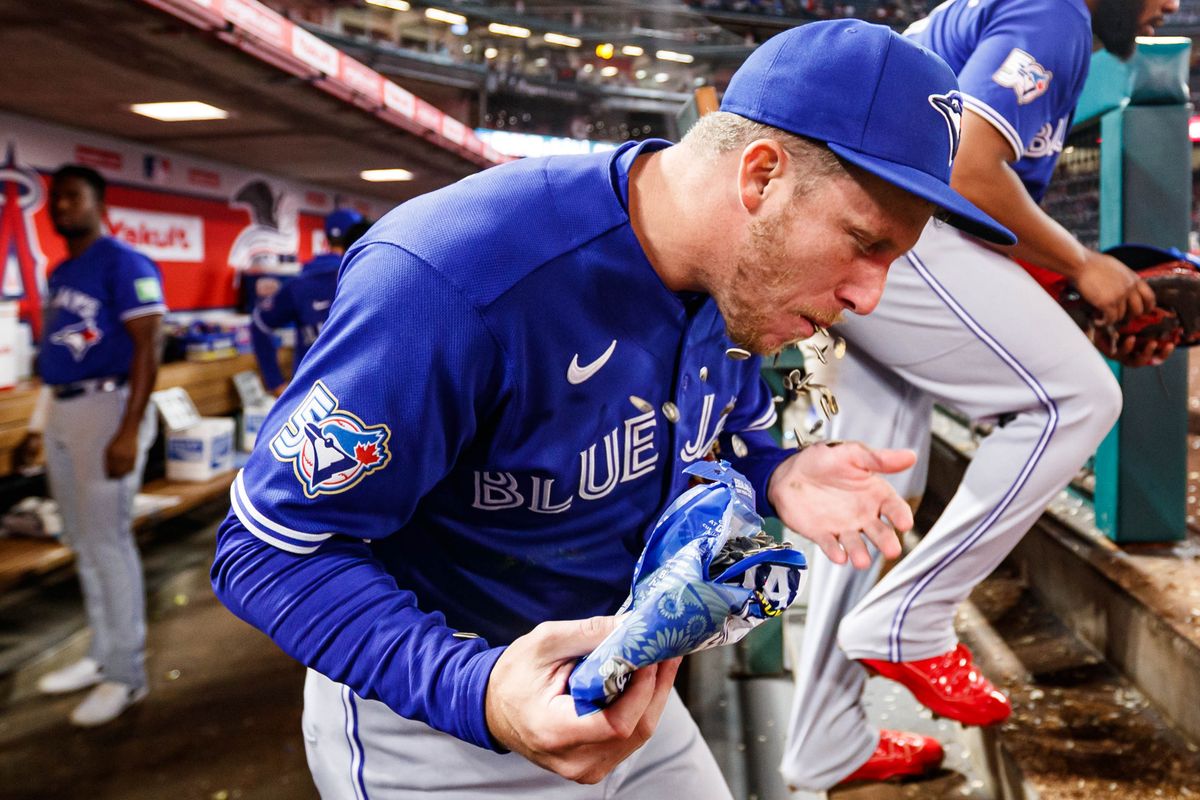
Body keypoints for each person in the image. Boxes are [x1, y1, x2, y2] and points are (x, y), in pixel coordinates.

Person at [210, 20, 1012, 799]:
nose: (868, 298)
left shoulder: (737, 281)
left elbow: (711, 435)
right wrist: (478, 690)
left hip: (630, 676)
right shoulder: (452, 277)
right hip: (442, 718)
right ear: (760, 177)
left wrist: (776, 472)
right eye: (864, 243)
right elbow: (266, 546)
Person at [781, 0, 1180, 789]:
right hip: (887, 221)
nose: (1169, 4)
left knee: (872, 489)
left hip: (845, 214)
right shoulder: (1058, 13)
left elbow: (972, 198)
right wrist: (1082, 266)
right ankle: (909, 618)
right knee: (1076, 400)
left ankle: (824, 741)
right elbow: (965, 169)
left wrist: (1064, 294)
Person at [20, 165, 166, 727]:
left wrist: (129, 430)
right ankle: (101, 654)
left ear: (98, 204)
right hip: (63, 407)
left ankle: (126, 674)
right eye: (56, 198)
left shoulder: (125, 263)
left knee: (107, 543)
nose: (62, 206)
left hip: (110, 408)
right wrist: (40, 424)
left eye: (73, 197)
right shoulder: (63, 270)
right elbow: (58, 357)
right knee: (82, 541)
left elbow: (148, 345)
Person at [250, 207, 365, 397]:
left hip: (310, 400)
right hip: (356, 394)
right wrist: (275, 382)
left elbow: (259, 323)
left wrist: (276, 383)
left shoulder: (302, 280)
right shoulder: (365, 276)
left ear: (327, 238)